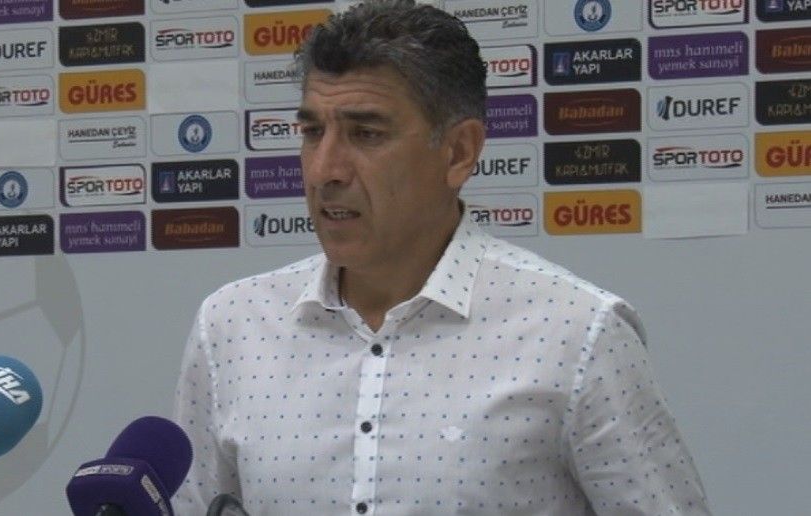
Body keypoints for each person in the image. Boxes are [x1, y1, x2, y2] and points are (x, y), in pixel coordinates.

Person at [173, 1, 711, 514]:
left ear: (458, 152)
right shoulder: (232, 327)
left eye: (366, 134)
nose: (324, 170)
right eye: (313, 132)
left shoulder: (577, 334)